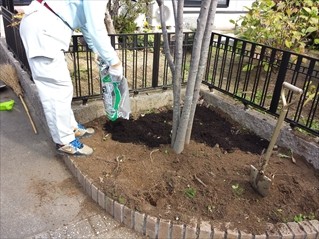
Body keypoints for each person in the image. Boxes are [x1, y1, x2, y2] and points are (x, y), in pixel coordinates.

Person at [19, 0, 123, 156]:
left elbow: (87, 23)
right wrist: (114, 61)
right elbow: (96, 26)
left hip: (45, 27)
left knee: (62, 87)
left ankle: (70, 127)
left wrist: (96, 50)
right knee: (56, 89)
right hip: (44, 31)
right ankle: (64, 141)